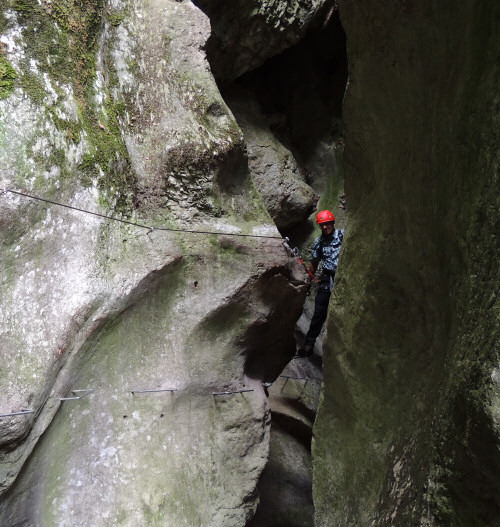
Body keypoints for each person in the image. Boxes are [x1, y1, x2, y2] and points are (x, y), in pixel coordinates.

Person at [297, 210, 344, 357]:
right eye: (322, 225)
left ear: (332, 223)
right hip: (326, 278)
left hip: (342, 278)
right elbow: (314, 263)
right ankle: (309, 345)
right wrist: (308, 282)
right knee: (319, 313)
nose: (325, 227)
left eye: (327, 224)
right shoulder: (319, 242)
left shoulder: (342, 235)